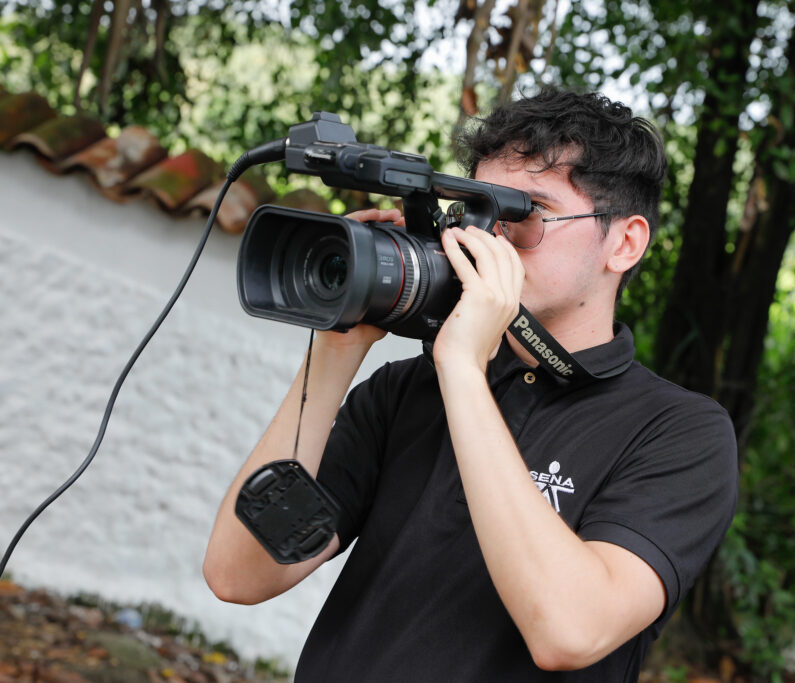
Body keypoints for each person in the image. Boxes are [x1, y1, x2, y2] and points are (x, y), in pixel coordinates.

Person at [203, 88, 738, 681]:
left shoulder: (679, 432)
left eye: (525, 214)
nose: (490, 239)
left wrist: (462, 366)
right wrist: (336, 348)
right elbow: (241, 573)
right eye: (476, 211)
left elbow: (570, 630)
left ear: (625, 243)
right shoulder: (405, 391)